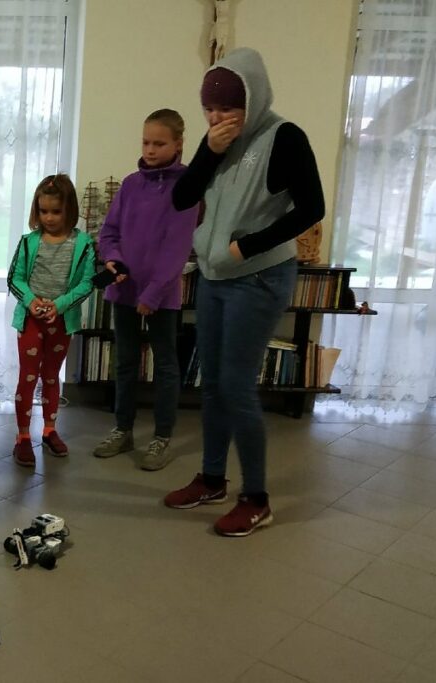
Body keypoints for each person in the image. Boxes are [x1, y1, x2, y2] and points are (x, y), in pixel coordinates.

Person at [164, 47, 325, 536]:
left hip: (258, 277)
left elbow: (311, 207)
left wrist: (247, 246)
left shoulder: (285, 137)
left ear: (252, 100)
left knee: (235, 386)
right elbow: (181, 197)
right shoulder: (216, 140)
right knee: (212, 382)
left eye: (228, 108)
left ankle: (257, 499)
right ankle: (212, 479)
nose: (217, 118)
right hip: (215, 277)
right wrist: (208, 152)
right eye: (209, 109)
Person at [91, 109, 200, 470]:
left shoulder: (186, 187)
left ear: (178, 144)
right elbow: (109, 233)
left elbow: (177, 248)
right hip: (123, 291)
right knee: (124, 362)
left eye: (159, 143)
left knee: (165, 365)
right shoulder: (130, 185)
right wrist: (113, 260)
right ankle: (122, 429)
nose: (150, 150)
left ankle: (162, 438)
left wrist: (152, 293)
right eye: (145, 142)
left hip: (160, 296)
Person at [7, 174, 96, 466]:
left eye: (56, 211)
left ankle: (49, 430)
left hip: (61, 321)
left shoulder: (83, 244)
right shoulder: (28, 242)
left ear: (69, 209)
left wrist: (58, 305)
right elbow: (15, 278)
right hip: (31, 321)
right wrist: (31, 302)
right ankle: (22, 435)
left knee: (51, 376)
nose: (49, 217)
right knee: (28, 376)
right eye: (43, 211)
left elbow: (86, 284)